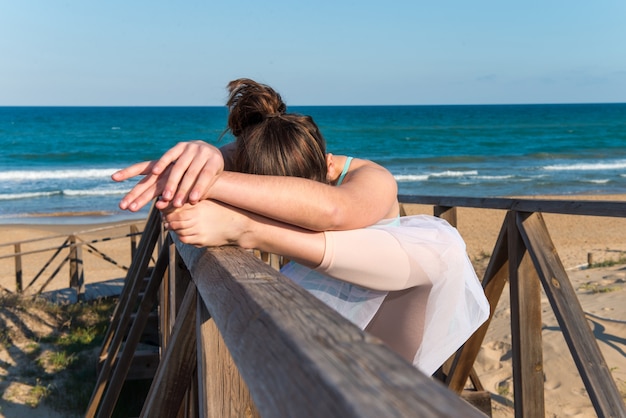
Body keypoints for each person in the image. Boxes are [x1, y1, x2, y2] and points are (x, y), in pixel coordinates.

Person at [113, 78, 489, 376]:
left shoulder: (371, 179)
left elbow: (334, 212)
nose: (283, 221)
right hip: (318, 368)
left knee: (442, 246)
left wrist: (241, 220)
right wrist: (211, 154)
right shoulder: (259, 160)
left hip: (388, 374)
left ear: (326, 168)